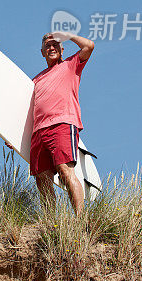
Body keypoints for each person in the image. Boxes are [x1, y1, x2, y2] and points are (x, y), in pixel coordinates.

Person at [24, 31, 94, 214]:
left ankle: (80, 219)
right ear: (42, 52)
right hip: (38, 131)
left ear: (62, 49)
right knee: (42, 178)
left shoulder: (71, 65)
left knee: (65, 170)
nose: (51, 48)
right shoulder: (36, 80)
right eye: (48, 45)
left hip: (62, 124)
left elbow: (89, 46)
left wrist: (67, 35)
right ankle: (51, 222)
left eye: (55, 45)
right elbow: (27, 112)